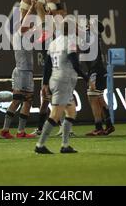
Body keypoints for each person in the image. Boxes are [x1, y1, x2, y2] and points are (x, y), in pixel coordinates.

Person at [35, 19, 89, 154]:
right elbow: (74, 63)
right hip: (63, 81)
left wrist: (45, 83)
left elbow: (47, 66)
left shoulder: (53, 43)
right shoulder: (70, 42)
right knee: (55, 115)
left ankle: (65, 145)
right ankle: (40, 145)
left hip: (57, 80)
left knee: (71, 112)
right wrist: (87, 78)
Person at [0, 0, 38, 139]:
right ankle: (5, 129)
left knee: (28, 100)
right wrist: (32, 6)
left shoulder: (24, 36)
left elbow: (35, 28)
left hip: (25, 72)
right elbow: (25, 24)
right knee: (17, 101)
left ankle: (20, 131)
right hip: (22, 72)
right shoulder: (19, 34)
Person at [84, 19, 115, 136]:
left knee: (93, 98)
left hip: (95, 70)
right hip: (99, 69)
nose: (87, 25)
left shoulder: (91, 35)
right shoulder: (95, 36)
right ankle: (109, 124)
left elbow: (75, 31)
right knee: (99, 98)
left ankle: (98, 127)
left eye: (89, 24)